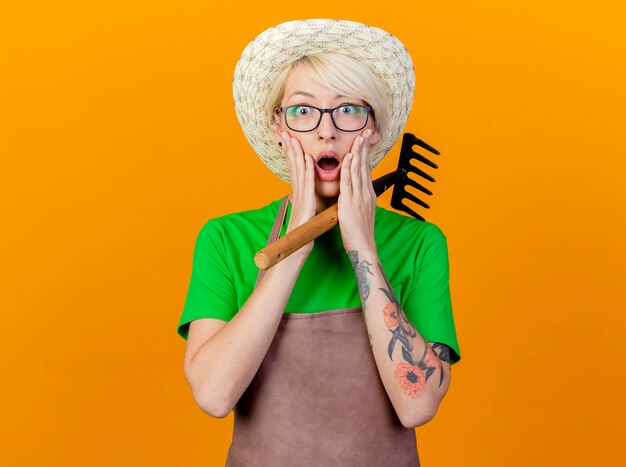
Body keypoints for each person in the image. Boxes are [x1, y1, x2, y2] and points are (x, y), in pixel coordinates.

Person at [177, 19, 461, 466]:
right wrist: (296, 244)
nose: (326, 132)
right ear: (277, 127)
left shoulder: (420, 242)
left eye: (348, 109)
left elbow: (417, 405)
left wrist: (363, 249)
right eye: (303, 110)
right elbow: (213, 396)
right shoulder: (226, 239)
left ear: (375, 129)